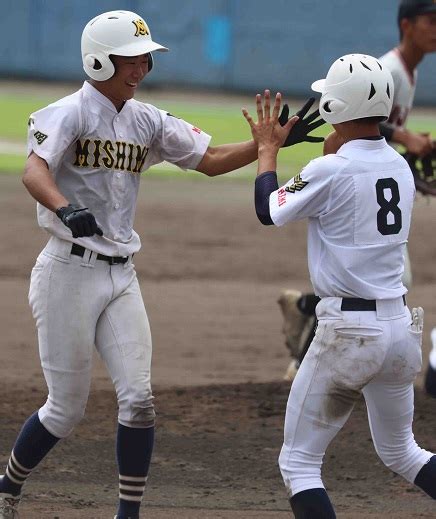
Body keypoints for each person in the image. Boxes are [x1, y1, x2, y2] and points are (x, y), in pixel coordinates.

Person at [0, 9, 324, 519]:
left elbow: (211, 159)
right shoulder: (67, 113)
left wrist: (268, 144)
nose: (143, 67)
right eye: (132, 58)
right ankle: (8, 485)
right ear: (99, 60)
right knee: (65, 409)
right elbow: (34, 170)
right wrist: (64, 206)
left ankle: (127, 514)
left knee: (140, 400)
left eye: (145, 58)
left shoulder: (146, 119)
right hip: (66, 272)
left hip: (120, 275)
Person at [243, 53, 436, 517]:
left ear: (334, 106)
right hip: (398, 331)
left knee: (300, 464)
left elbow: (268, 209)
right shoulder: (399, 168)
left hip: (349, 333)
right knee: (403, 452)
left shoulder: (330, 170)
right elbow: (349, 176)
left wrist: (267, 149)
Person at [278, 0, 436, 384]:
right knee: (383, 279)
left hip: (357, 179)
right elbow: (358, 119)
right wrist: (404, 137)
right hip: (343, 177)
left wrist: (405, 164)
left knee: (371, 278)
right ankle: (305, 357)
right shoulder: (392, 70)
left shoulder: (408, 72)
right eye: (430, 20)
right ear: (406, 25)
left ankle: (304, 309)